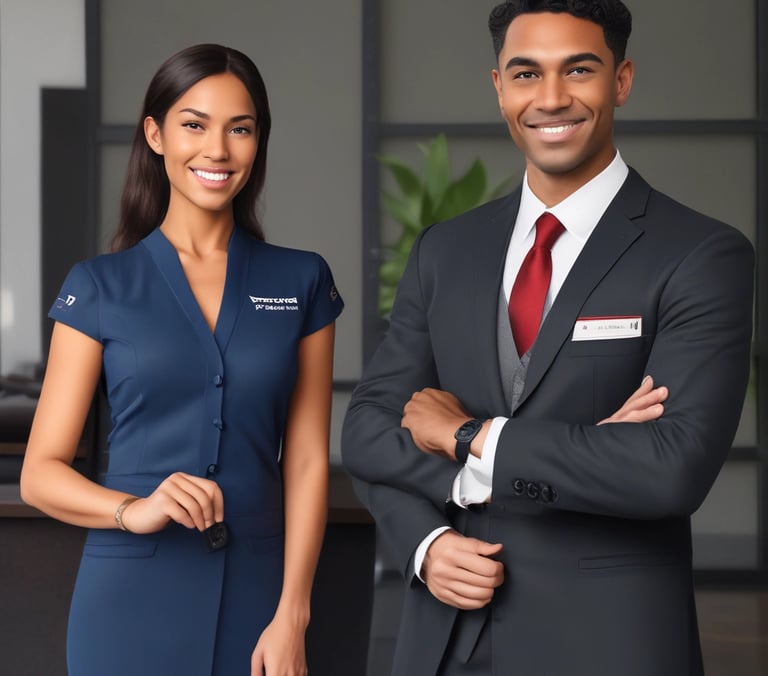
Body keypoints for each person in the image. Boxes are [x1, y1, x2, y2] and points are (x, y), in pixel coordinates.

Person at [342, 1, 754, 674]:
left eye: (579, 70)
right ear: (499, 87)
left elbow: (668, 468)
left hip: (607, 641)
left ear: (620, 81)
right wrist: (425, 542)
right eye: (527, 74)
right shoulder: (447, 250)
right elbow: (366, 429)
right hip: (447, 635)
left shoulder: (701, 254)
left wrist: (471, 436)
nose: (552, 98)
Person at [21, 43, 343, 676]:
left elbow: (306, 460)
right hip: (127, 600)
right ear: (156, 134)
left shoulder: (302, 279)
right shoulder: (99, 286)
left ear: (258, 141)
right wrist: (130, 510)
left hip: (260, 594)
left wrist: (293, 615)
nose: (218, 150)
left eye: (240, 129)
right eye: (194, 124)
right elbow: (40, 473)